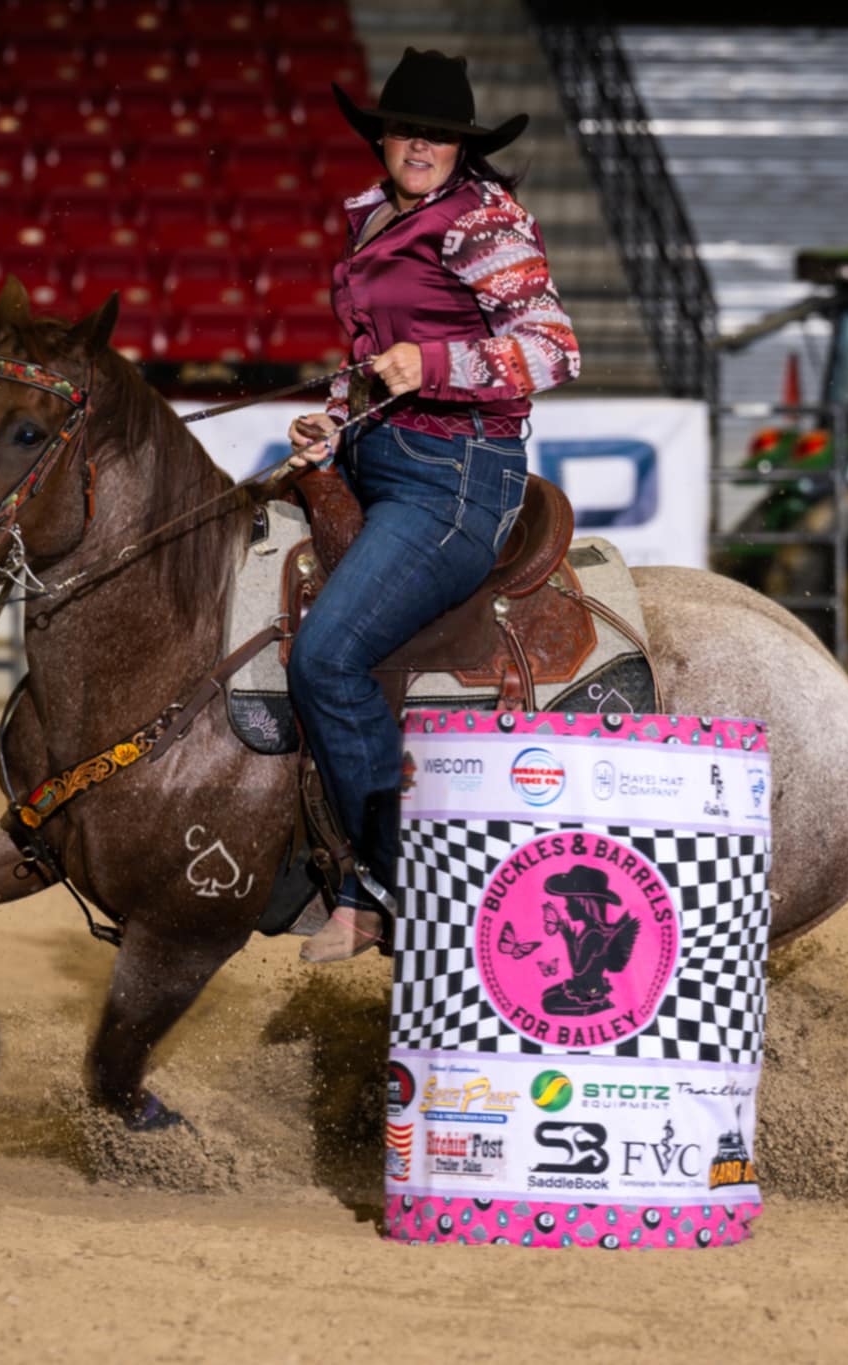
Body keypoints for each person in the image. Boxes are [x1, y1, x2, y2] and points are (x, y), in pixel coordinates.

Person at [282, 48, 581, 962]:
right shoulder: (372, 219)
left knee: (328, 656)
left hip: (457, 478)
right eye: (407, 129)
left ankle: (384, 886)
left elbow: (557, 349)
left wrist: (438, 364)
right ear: (382, 139)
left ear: (462, 148)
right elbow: (371, 359)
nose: (421, 145)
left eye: (440, 135)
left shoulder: (486, 223)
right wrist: (331, 427)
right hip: (378, 459)